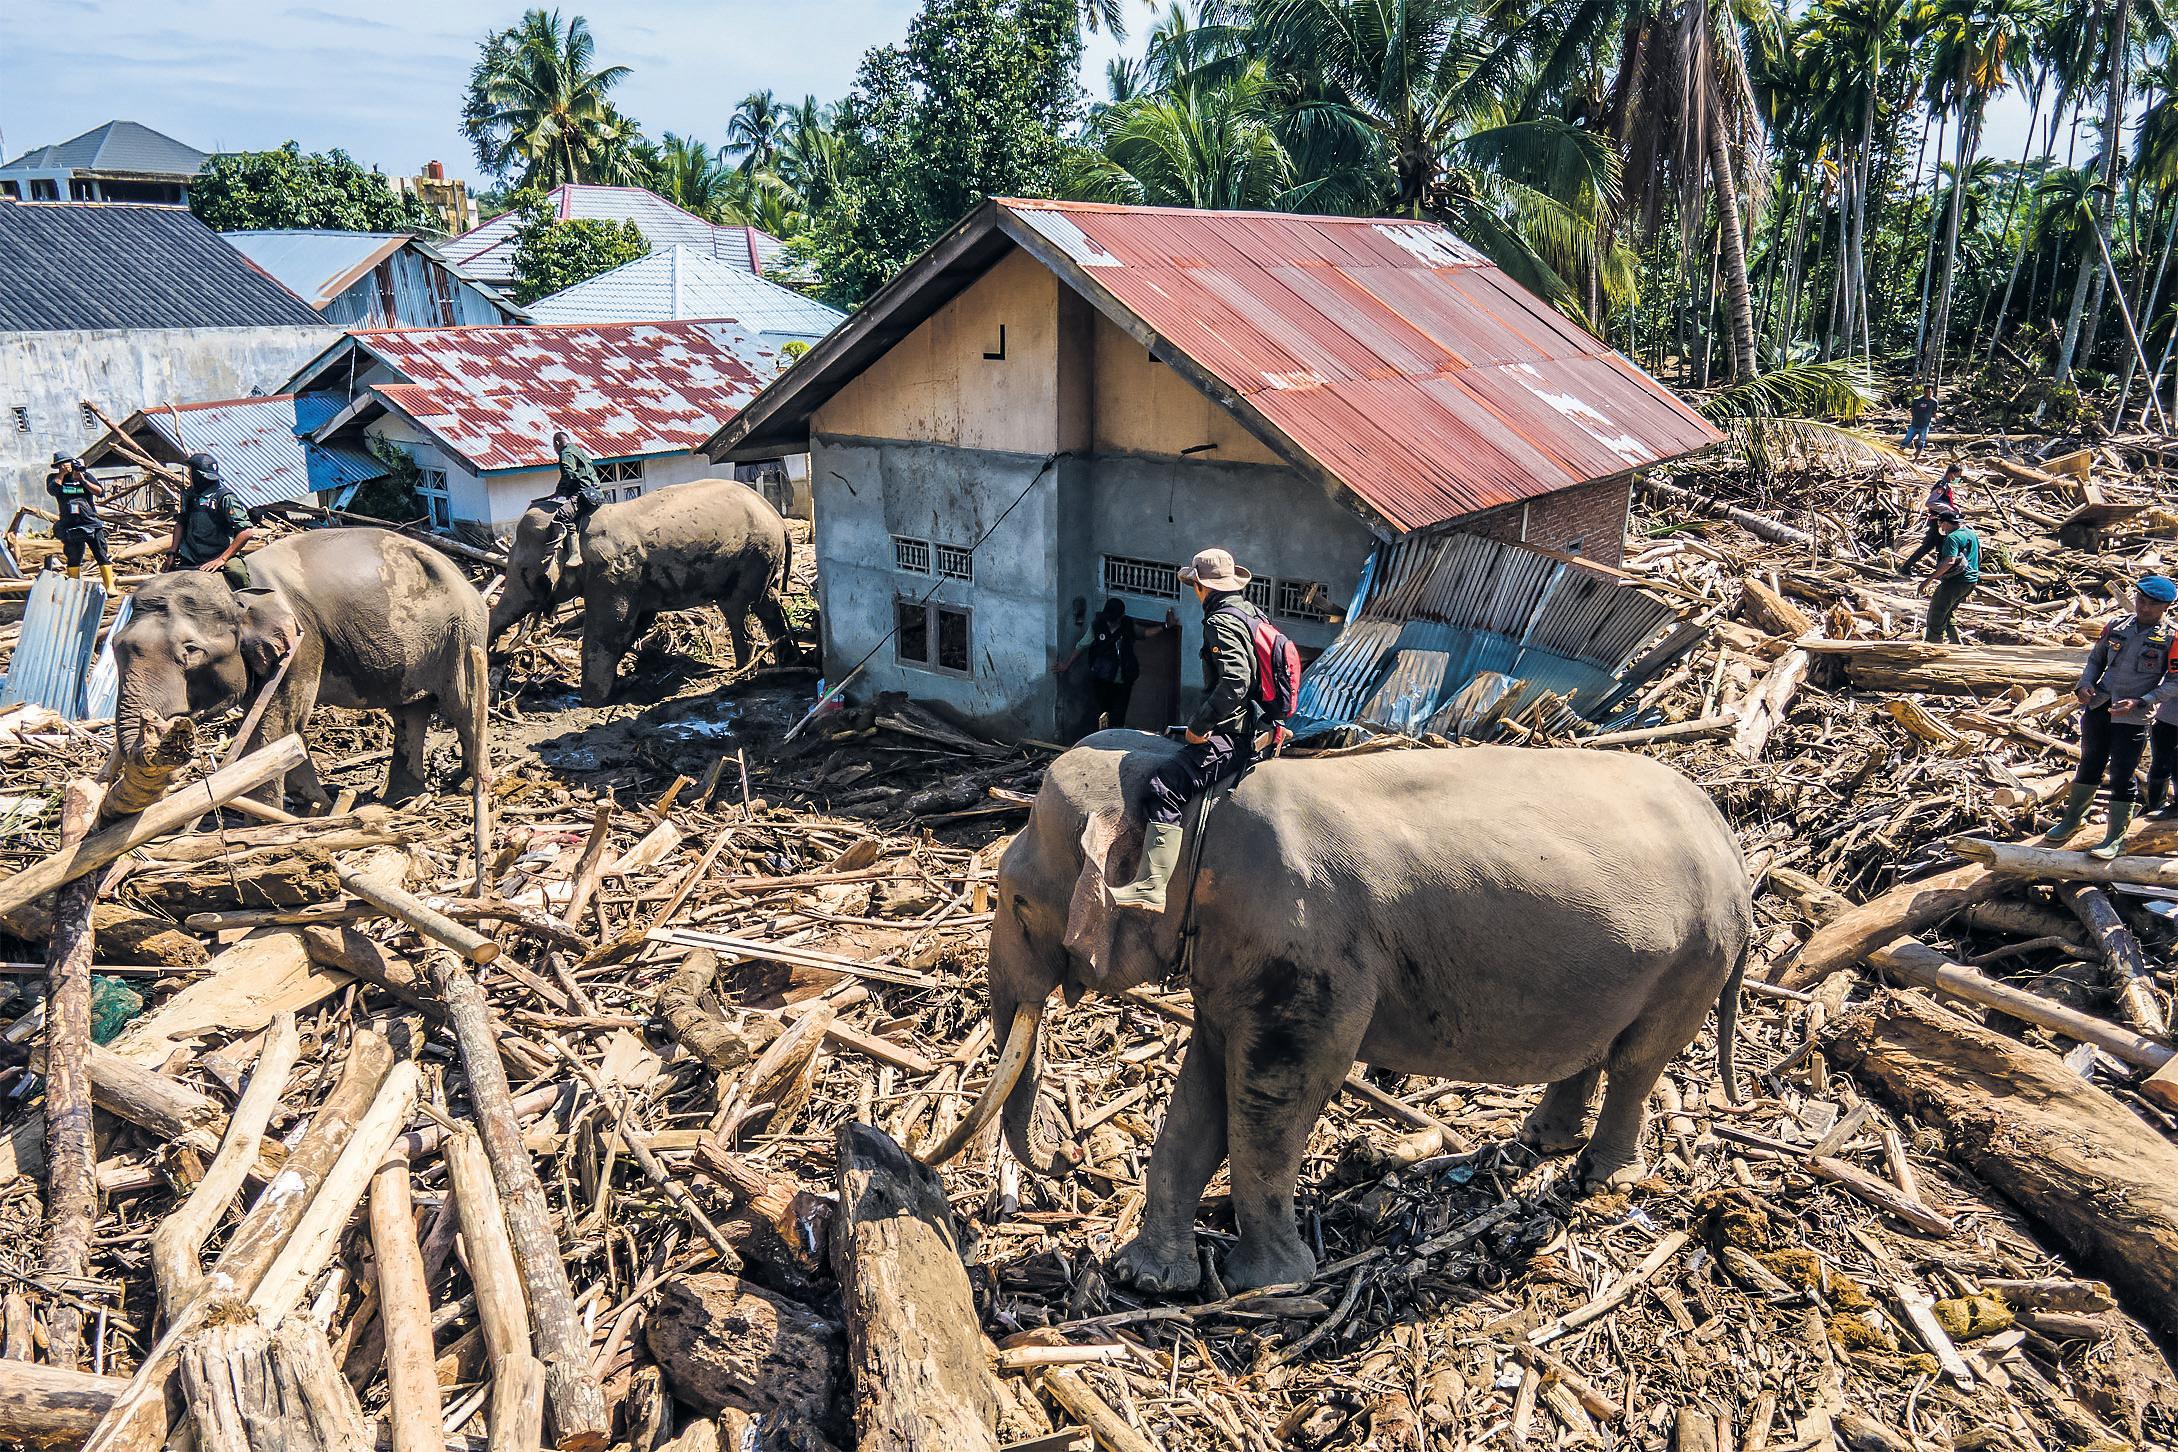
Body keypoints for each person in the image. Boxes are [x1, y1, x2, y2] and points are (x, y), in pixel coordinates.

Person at [1109, 548, 1264, 913]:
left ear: (1201, 587)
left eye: (1194, 584)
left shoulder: (1220, 622)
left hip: (1232, 733)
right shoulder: (1253, 614)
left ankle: (1151, 886)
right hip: (1257, 726)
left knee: (1165, 785)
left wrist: (1199, 727)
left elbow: (1236, 681)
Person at [2045, 576, 2178, 856]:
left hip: (2133, 717)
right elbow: (2095, 660)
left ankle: (2114, 838)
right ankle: (2073, 819)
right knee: (2089, 763)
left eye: (2152, 604)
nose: (2143, 607)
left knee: (2122, 774)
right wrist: (2084, 684)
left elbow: (2174, 682)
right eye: (2140, 600)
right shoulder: (2117, 626)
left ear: (2165, 606)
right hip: (2100, 706)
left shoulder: (2171, 638)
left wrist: (2143, 700)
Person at [1060, 598, 1178, 735]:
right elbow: (1082, 645)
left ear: (1121, 617)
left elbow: (1145, 633)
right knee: (1101, 713)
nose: (1110, 622)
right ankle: (1100, 738)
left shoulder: (1128, 625)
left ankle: (1115, 739)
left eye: (1113, 619)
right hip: (1102, 680)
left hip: (1123, 682)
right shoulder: (1097, 626)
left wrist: (1165, 626)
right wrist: (1066, 665)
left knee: (1119, 716)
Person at [169, 452, 254, 588]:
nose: (189, 476)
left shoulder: (224, 497)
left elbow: (246, 531)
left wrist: (222, 559)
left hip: (220, 554)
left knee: (238, 574)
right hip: (191, 556)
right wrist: (172, 553)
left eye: (191, 472)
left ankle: (250, 602)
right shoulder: (190, 495)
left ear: (199, 476)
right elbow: (181, 523)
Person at [46, 453, 115, 592]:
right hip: (70, 524)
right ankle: (74, 589)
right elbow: (53, 490)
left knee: (101, 553)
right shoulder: (54, 478)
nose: (66, 465)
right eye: (62, 464)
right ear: (58, 466)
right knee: (73, 556)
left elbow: (100, 492)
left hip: (90, 522)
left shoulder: (85, 475)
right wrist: (62, 474)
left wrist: (83, 480)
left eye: (68, 463)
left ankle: (110, 586)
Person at [1917, 505, 1978, 644]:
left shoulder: (1953, 538)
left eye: (1940, 523)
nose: (1940, 527)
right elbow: (1978, 555)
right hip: (1970, 581)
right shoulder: (1970, 533)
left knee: (1936, 613)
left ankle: (1932, 644)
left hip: (1956, 582)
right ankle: (1956, 644)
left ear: (1945, 523)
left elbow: (1949, 561)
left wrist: (1928, 580)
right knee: (1948, 611)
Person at [1898, 462, 1964, 574]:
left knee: (1941, 547)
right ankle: (1906, 567)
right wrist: (1949, 509)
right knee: (1928, 546)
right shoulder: (1942, 486)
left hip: (1942, 522)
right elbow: (1930, 502)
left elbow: (1943, 501)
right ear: (1951, 474)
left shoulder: (1946, 486)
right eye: (1957, 475)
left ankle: (1940, 571)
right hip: (1938, 522)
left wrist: (1954, 506)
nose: (1958, 478)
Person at [1903, 384, 1938, 454]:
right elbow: (1912, 410)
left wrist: (1935, 418)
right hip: (1914, 424)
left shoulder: (1934, 402)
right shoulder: (1917, 400)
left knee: (1921, 443)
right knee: (1906, 441)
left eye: (1930, 392)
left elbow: (1934, 412)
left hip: (1924, 426)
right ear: (1924, 392)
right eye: (1927, 392)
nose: (1928, 394)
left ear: (1932, 392)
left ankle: (1915, 459)